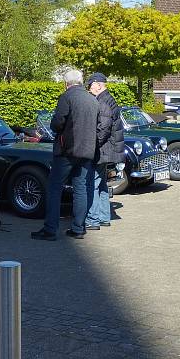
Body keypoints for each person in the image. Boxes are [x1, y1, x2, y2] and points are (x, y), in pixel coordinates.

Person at [31, 69, 97, 241]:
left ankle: (50, 229)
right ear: (81, 81)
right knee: (80, 189)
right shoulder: (92, 99)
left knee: (54, 188)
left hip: (67, 151)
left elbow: (57, 123)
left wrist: (54, 124)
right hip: (87, 151)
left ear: (66, 83)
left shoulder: (66, 97)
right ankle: (78, 228)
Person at [85, 73, 125, 230]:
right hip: (109, 149)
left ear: (98, 84)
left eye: (90, 85)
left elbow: (103, 129)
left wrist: (92, 146)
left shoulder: (102, 102)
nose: (89, 89)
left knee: (92, 184)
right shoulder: (108, 99)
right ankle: (103, 217)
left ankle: (93, 220)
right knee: (101, 184)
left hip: (102, 150)